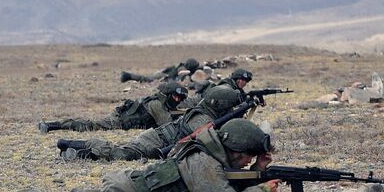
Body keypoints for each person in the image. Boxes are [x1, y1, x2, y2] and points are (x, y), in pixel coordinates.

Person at [0, 118, 278, 192]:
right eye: (247, 158)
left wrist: (259, 172)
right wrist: (263, 190)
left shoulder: (208, 154)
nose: (246, 164)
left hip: (127, 191)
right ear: (235, 150)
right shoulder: (204, 161)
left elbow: (226, 185)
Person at [56, 68, 260, 162]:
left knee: (122, 152)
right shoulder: (202, 119)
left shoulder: (205, 112)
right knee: (122, 153)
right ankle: (74, 144)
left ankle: (77, 151)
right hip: (156, 139)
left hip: (159, 138)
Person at [38, 81, 188, 133]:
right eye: (175, 97)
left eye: (179, 99)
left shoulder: (160, 102)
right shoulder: (156, 104)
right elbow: (167, 124)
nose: (176, 100)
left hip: (123, 120)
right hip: (119, 122)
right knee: (89, 125)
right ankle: (53, 125)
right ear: (167, 94)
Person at [119, 57, 200, 84]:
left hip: (164, 74)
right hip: (164, 76)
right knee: (146, 79)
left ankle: (127, 76)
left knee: (146, 78)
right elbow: (181, 75)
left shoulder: (182, 66)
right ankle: (127, 76)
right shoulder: (182, 68)